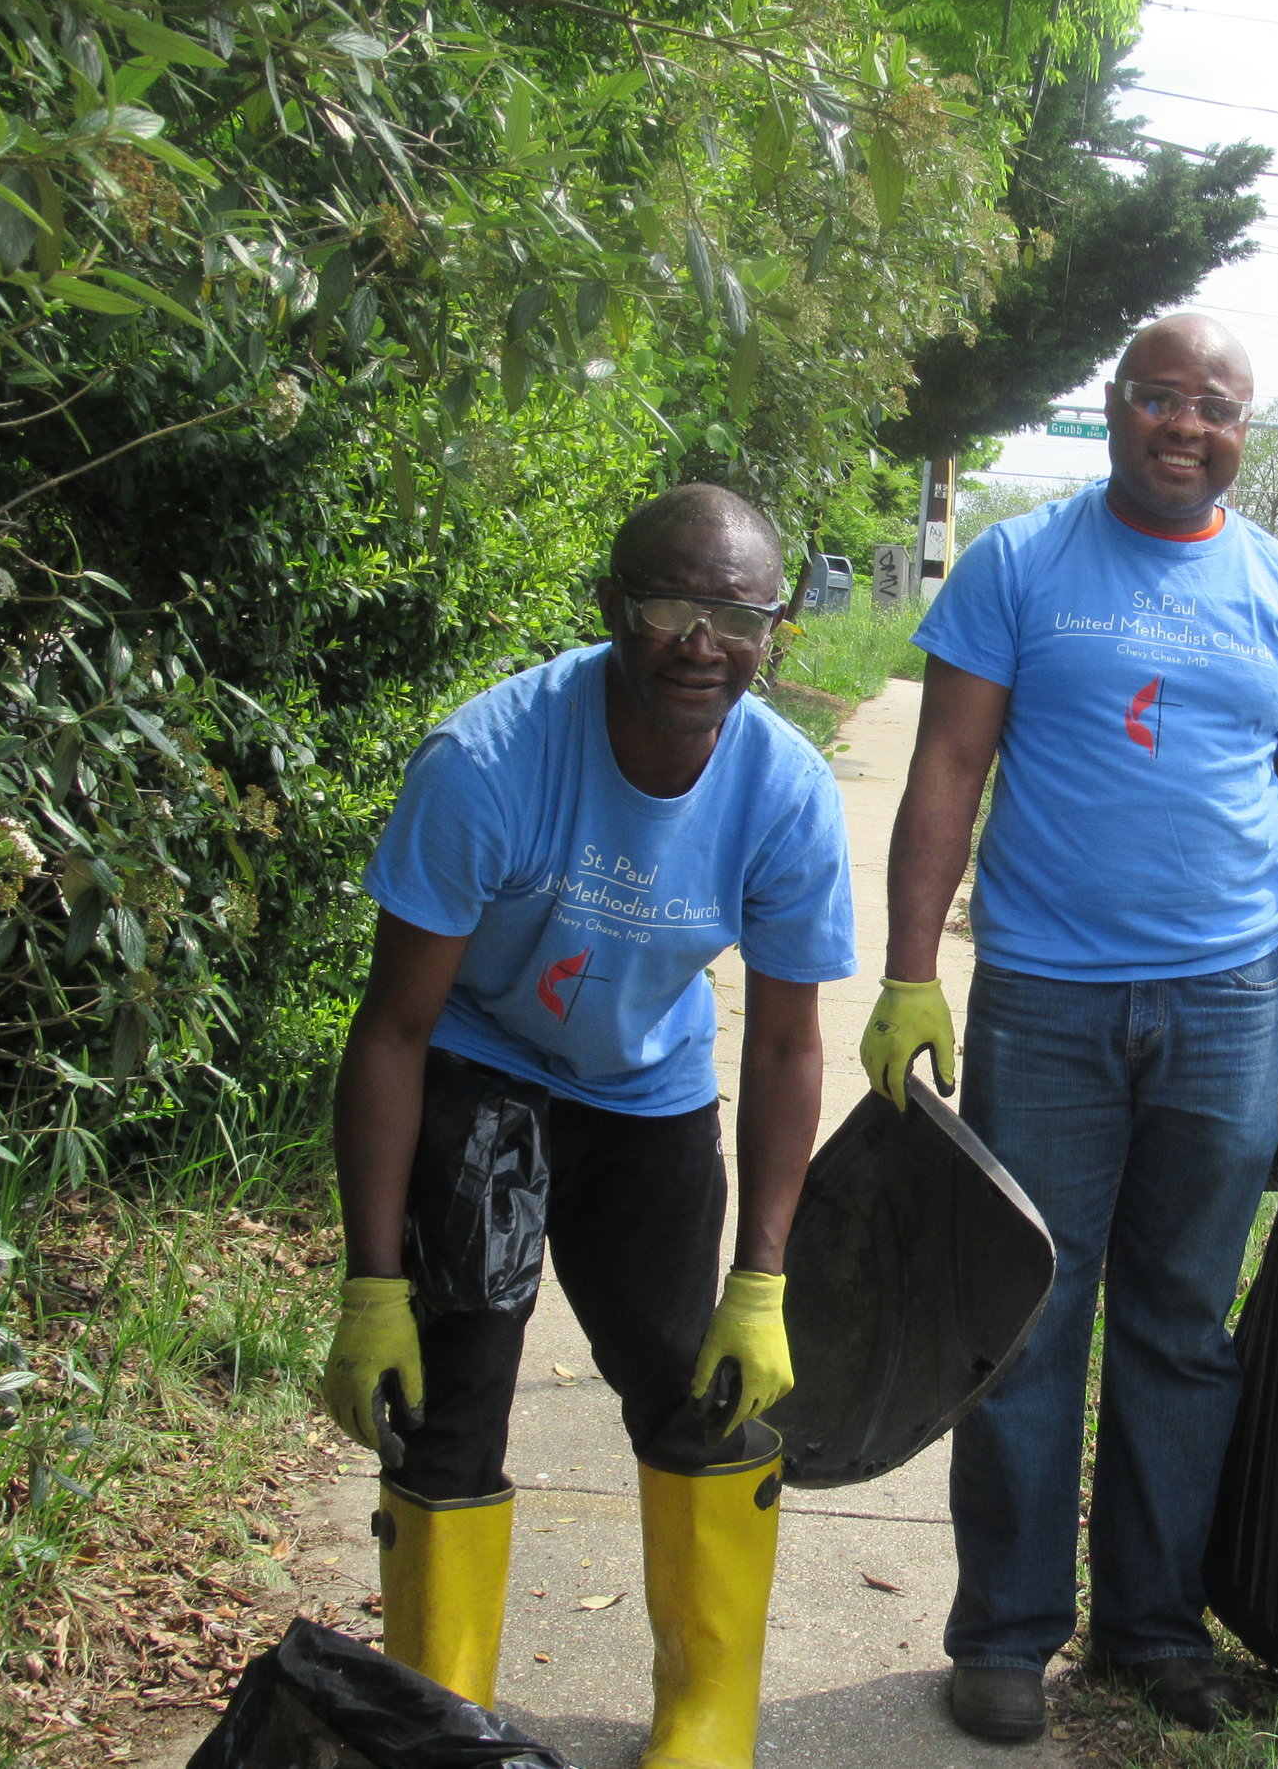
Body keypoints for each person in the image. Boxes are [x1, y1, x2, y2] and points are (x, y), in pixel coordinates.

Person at [859, 315, 1278, 1740]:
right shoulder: (1023, 565)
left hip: (1224, 1004)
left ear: (1242, 432)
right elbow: (947, 766)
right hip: (1046, 999)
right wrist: (910, 971)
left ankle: (1154, 1626)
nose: (1184, 425)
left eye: (1213, 407)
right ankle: (1008, 1633)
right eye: (1159, 398)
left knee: (1181, 1324)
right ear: (1114, 409)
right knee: (1025, 1314)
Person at [316, 486, 855, 1769]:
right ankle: (441, 1726)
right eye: (671, 604)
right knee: (451, 1403)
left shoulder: (784, 793)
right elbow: (392, 1031)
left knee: (700, 1392)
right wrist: (372, 1283)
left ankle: (706, 1712)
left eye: (737, 614)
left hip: (648, 1092)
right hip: (482, 1069)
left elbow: (784, 1044)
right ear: (611, 606)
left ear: (774, 630)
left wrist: (762, 1280)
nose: (700, 641)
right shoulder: (487, 762)